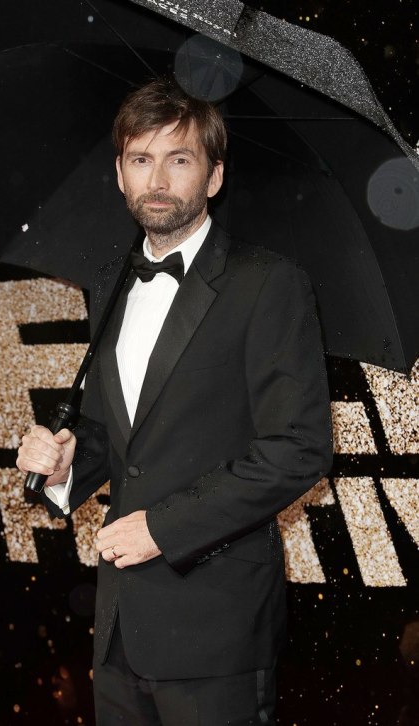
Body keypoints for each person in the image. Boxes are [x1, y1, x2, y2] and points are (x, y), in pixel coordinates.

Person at [17, 77, 333, 725]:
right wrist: (66, 466)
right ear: (119, 173)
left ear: (213, 176)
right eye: (141, 159)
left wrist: (163, 527)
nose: (157, 177)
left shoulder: (268, 284)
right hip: (118, 628)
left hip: (217, 626)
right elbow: (119, 437)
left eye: (179, 159)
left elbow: (297, 452)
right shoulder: (108, 284)